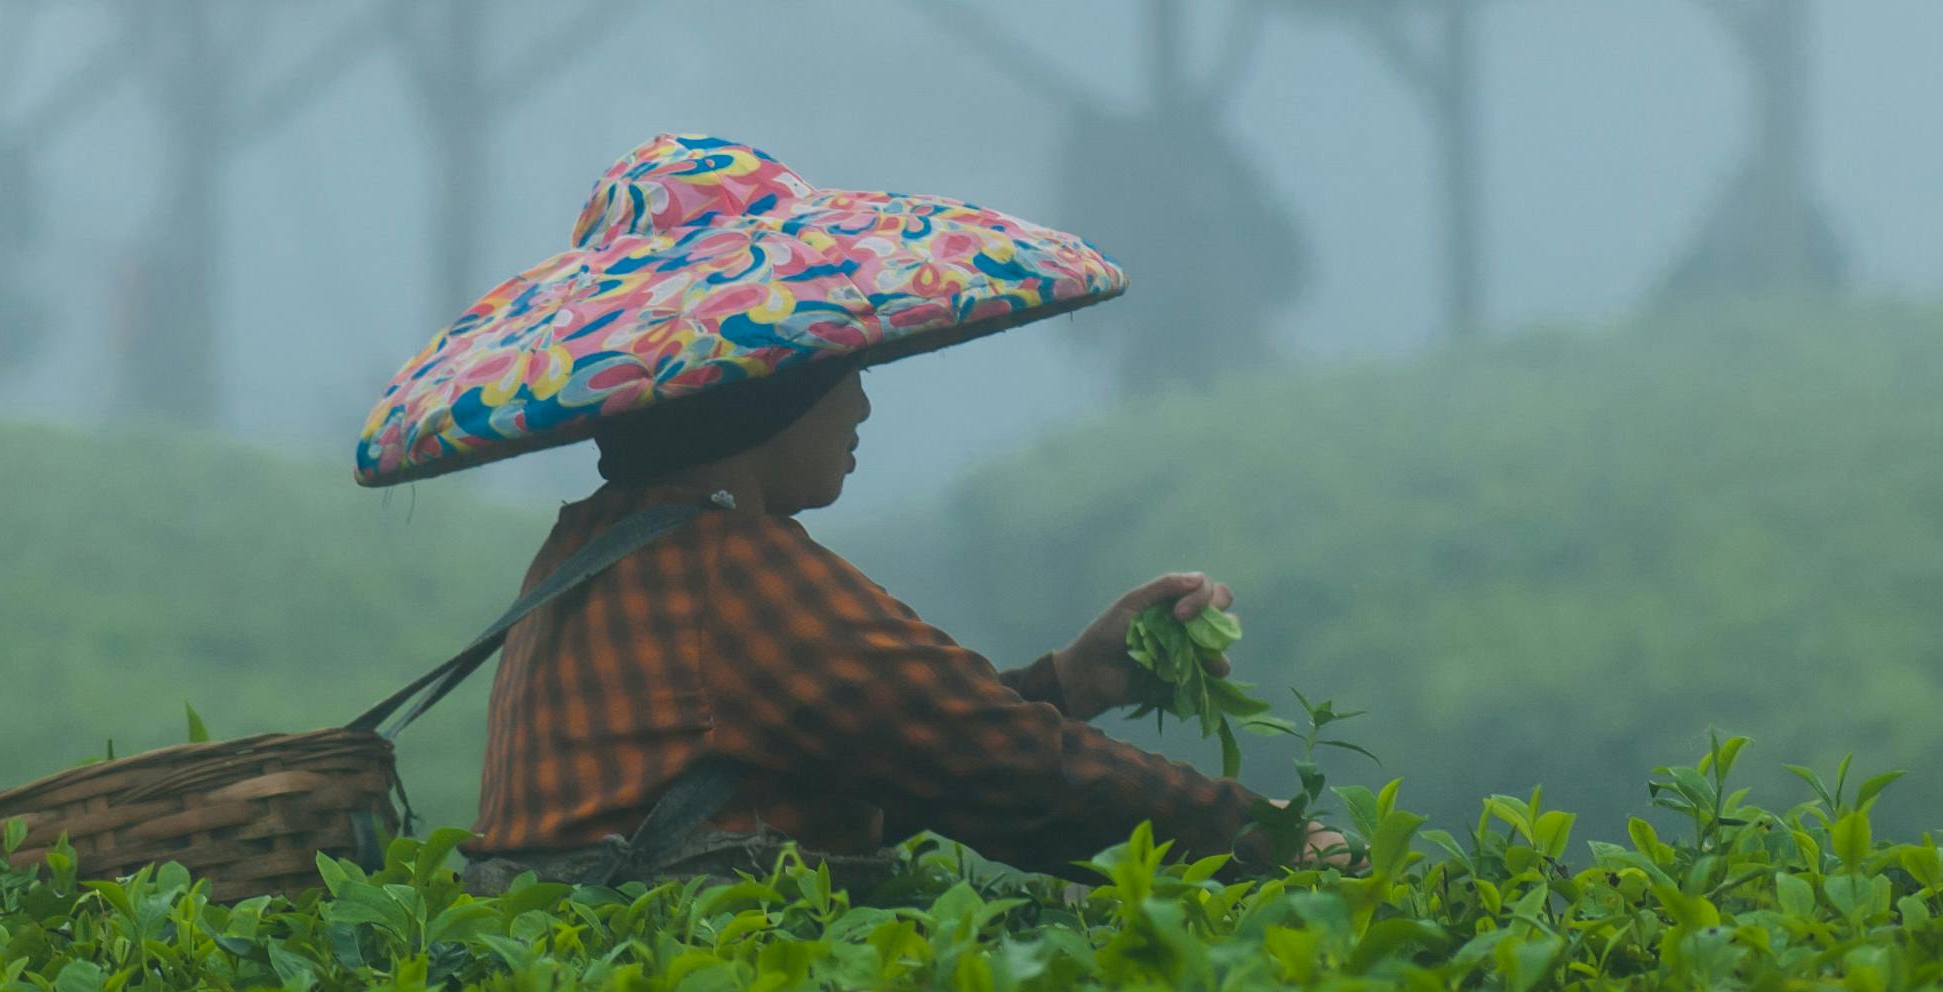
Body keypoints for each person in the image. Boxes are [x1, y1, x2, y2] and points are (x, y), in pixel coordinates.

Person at [352, 132, 1359, 888]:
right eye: (846, 368)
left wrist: (1072, 677)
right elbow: (993, 764)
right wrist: (1257, 830)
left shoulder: (591, 540)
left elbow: (889, 737)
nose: (863, 399)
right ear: (768, 390)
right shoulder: (728, 568)